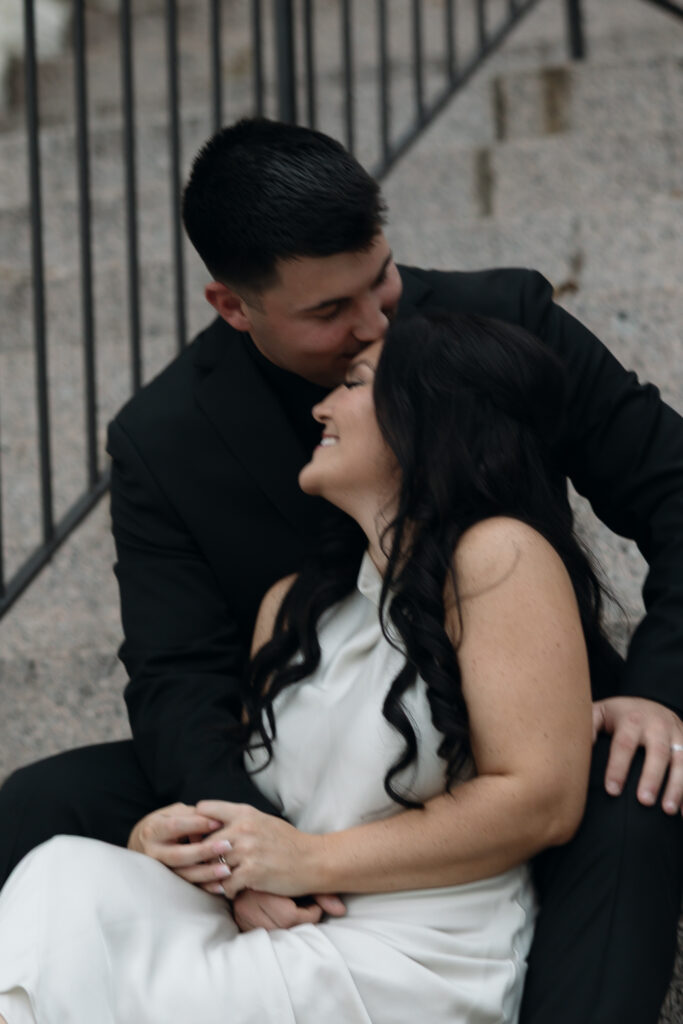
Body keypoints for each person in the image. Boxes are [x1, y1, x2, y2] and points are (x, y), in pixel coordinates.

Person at [0, 118, 681, 1023]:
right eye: (329, 314)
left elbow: (675, 491)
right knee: (45, 804)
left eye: (381, 278)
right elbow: (177, 676)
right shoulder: (163, 442)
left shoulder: (502, 320)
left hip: (525, 724)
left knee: (637, 787)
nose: (376, 324)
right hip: (306, 753)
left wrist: (660, 686)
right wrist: (246, 848)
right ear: (233, 307)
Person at [0, 312, 602, 1022]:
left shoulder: (498, 555)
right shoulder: (295, 607)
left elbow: (540, 801)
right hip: (289, 926)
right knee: (66, 875)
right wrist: (181, 848)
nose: (320, 405)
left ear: (429, 413)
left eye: (353, 384)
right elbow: (269, 817)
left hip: (411, 953)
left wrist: (310, 861)